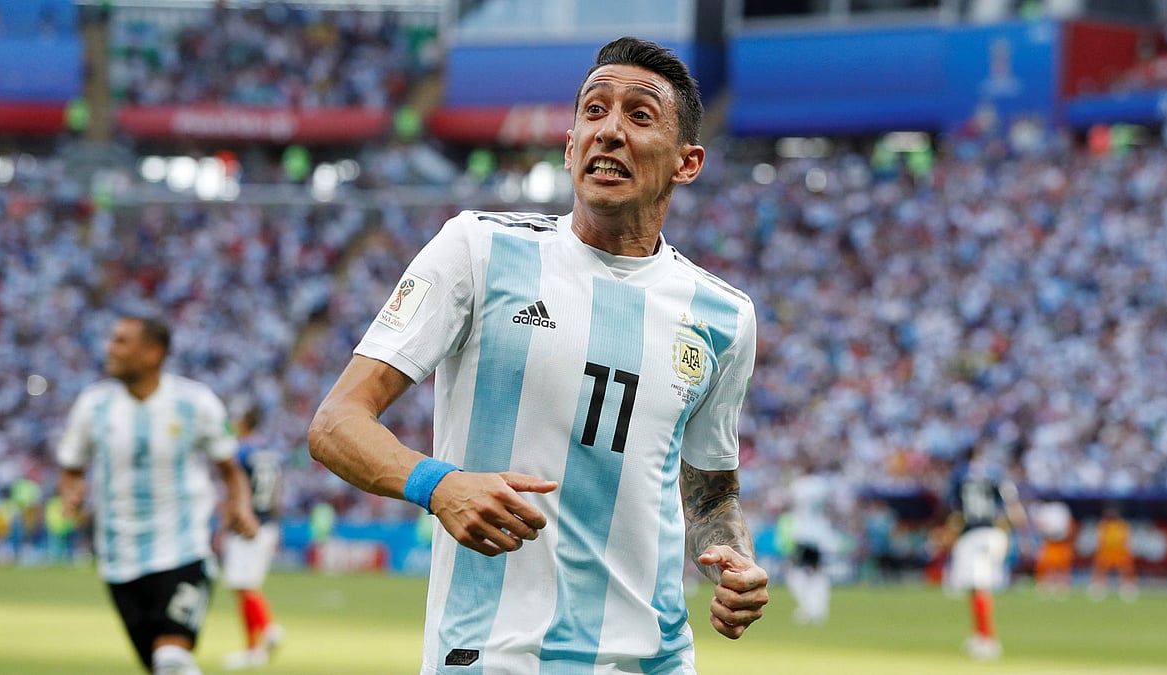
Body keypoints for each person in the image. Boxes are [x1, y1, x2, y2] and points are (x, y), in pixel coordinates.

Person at [308, 36, 769, 673]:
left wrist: (734, 559)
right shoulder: (478, 250)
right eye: (594, 111)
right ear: (570, 144)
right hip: (492, 654)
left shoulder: (725, 317)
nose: (609, 130)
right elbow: (335, 424)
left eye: (639, 116)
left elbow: (711, 493)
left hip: (654, 660)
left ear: (687, 163)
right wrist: (439, 485)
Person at [56, 314, 259, 675]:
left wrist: (239, 503)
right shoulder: (93, 405)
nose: (110, 349)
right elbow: (72, 468)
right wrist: (71, 492)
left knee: (172, 659)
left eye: (121, 341)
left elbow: (230, 469)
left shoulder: (195, 403)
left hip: (183, 549)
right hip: (119, 559)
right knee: (157, 664)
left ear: (153, 352)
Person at [942, 444, 1029, 661]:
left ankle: (988, 639)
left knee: (979, 587)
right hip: (994, 535)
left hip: (973, 534)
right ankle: (978, 634)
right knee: (975, 587)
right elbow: (1013, 508)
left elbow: (953, 509)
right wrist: (1019, 534)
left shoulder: (959, 476)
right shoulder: (995, 473)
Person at [221, 405, 286, 670]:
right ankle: (252, 649)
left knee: (244, 585)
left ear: (244, 421)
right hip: (268, 523)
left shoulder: (241, 452)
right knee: (244, 586)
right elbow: (278, 491)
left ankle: (269, 630)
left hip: (246, 527)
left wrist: (226, 523)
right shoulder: (270, 453)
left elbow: (236, 491)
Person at [782, 463, 836, 624]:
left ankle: (808, 607)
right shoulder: (822, 485)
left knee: (794, 571)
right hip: (820, 532)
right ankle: (819, 609)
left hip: (803, 533)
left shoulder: (799, 485)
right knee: (817, 572)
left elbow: (788, 504)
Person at [1088, 505, 1137, 601]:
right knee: (1100, 572)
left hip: (1119, 552)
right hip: (1105, 552)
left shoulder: (1122, 525)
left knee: (1126, 571)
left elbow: (1126, 540)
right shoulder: (1103, 525)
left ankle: (1127, 590)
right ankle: (1098, 589)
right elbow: (1100, 540)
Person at [1031, 500, 1074, 597]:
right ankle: (1045, 585)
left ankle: (1061, 586)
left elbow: (1069, 525)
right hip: (1049, 541)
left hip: (1061, 541)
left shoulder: (1062, 508)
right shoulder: (1044, 509)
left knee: (1061, 566)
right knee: (1046, 565)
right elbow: (1039, 525)